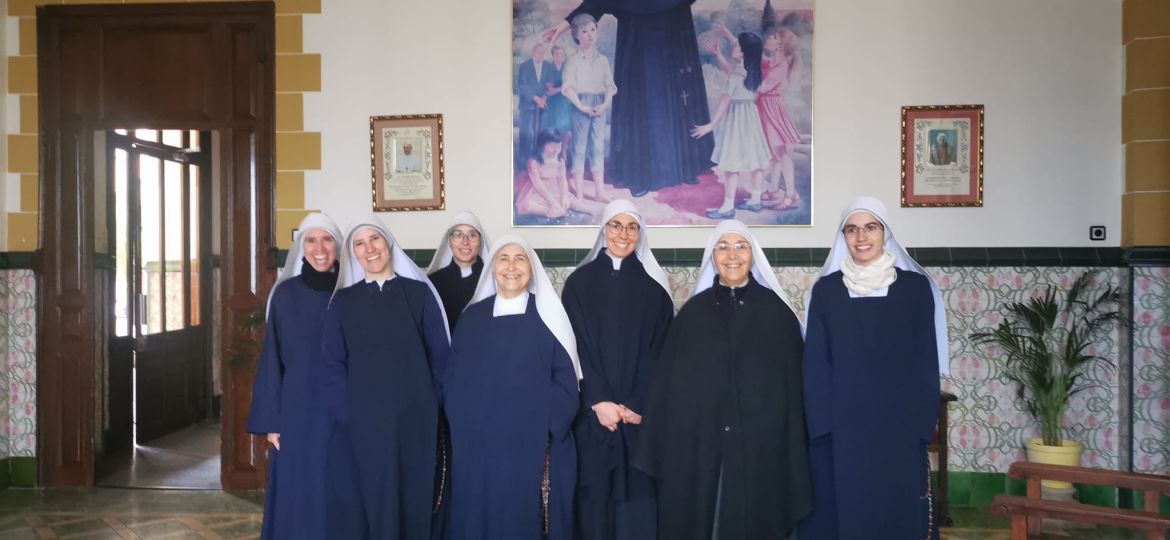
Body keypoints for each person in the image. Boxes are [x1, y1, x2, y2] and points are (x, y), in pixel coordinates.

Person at [633, 220, 811, 540]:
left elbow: (794, 388)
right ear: (713, 256)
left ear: (752, 254)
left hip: (761, 448)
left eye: (741, 246)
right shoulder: (692, 314)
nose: (732, 255)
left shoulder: (778, 314)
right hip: (700, 447)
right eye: (723, 247)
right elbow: (669, 389)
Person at [798, 197, 947, 540]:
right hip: (842, 429)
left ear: (885, 233)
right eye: (852, 229)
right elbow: (816, 362)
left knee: (896, 515)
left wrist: (922, 425)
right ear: (843, 237)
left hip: (898, 427)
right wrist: (821, 427)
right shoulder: (827, 290)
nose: (861, 237)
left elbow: (925, 359)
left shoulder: (915, 289)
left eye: (870, 228)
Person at [321, 215, 450, 540]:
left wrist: (429, 404)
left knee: (413, 497)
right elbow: (332, 363)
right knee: (368, 503)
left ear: (388, 243)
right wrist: (347, 412)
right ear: (353, 254)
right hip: (362, 425)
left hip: (415, 423)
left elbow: (441, 356)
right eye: (360, 244)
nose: (370, 249)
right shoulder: (344, 302)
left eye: (374, 240)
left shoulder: (419, 294)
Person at [443, 236, 581, 540]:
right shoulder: (472, 319)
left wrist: (540, 427)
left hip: (531, 446)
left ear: (531, 269)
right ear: (492, 267)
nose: (511, 267)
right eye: (503, 258)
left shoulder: (550, 318)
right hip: (479, 449)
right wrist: (470, 429)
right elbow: (453, 383)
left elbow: (567, 384)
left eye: (520, 259)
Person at [562, 200, 675, 540]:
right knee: (592, 506)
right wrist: (598, 401)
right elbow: (573, 345)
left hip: (637, 419)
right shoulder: (577, 285)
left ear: (640, 234)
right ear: (604, 230)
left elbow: (663, 352)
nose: (623, 234)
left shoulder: (656, 292)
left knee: (636, 510)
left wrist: (636, 404)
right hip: (592, 415)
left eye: (631, 227)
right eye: (615, 225)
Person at [545, 0, 715, 195]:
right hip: (637, 36)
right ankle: (640, 176)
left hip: (673, 29)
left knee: (678, 98)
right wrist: (567, 23)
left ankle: (685, 168)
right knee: (640, 105)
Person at [246, 213, 342, 540]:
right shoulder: (285, 295)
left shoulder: (352, 291)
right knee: (298, 489)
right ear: (301, 247)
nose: (319, 248)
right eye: (311, 240)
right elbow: (272, 360)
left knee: (338, 486)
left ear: (338, 246)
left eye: (327, 239)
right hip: (297, 411)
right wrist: (272, 420)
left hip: (343, 410)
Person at [691, 33, 773, 219]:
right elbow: (731, 70)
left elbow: (724, 102)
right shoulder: (754, 74)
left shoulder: (735, 77)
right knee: (756, 161)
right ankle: (755, 200)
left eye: (737, 45)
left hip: (737, 121)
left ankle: (727, 206)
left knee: (731, 164)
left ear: (742, 53)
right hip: (751, 121)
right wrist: (718, 54)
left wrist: (711, 125)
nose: (733, 47)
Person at [561, 13, 617, 203]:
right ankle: (579, 192)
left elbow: (610, 85)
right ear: (576, 35)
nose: (589, 35)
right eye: (584, 31)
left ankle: (599, 190)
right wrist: (582, 107)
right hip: (580, 104)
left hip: (599, 104)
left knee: (598, 147)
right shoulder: (573, 61)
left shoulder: (602, 60)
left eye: (592, 30)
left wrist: (604, 105)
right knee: (579, 148)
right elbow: (567, 88)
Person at [757, 27, 803, 210]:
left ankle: (792, 194)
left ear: (780, 45)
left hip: (771, 108)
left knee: (781, 153)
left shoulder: (782, 65)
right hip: (765, 107)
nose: (769, 37)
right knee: (774, 154)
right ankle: (774, 188)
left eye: (774, 36)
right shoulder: (774, 61)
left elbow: (762, 87)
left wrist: (747, 77)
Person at [426, 211, 492, 332]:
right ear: (449, 242)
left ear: (480, 242)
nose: (465, 241)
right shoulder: (433, 282)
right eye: (458, 235)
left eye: (472, 235)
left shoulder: (494, 280)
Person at [517, 129, 605, 218]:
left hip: (556, 190)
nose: (556, 151)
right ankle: (548, 211)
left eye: (559, 147)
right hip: (539, 192)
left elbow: (563, 181)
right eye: (552, 147)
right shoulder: (534, 161)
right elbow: (538, 184)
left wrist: (564, 196)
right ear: (542, 145)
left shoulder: (560, 161)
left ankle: (590, 210)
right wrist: (552, 202)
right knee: (529, 205)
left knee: (571, 201)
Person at [516, 42, 556, 170]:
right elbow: (521, 86)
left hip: (543, 106)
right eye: (538, 53)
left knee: (541, 135)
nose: (540, 55)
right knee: (526, 134)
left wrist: (543, 98)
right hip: (527, 106)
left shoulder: (548, 67)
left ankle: (539, 163)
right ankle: (523, 165)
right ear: (533, 53)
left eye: (542, 53)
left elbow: (550, 85)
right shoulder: (524, 66)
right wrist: (535, 98)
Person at [542, 44, 574, 160]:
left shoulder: (567, 68)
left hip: (565, 103)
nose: (559, 55)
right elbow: (547, 87)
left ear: (564, 55)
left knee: (565, 129)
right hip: (552, 104)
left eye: (561, 53)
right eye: (556, 53)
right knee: (552, 129)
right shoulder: (548, 68)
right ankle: (551, 155)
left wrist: (559, 89)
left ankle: (564, 153)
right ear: (552, 55)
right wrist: (560, 88)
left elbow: (570, 85)